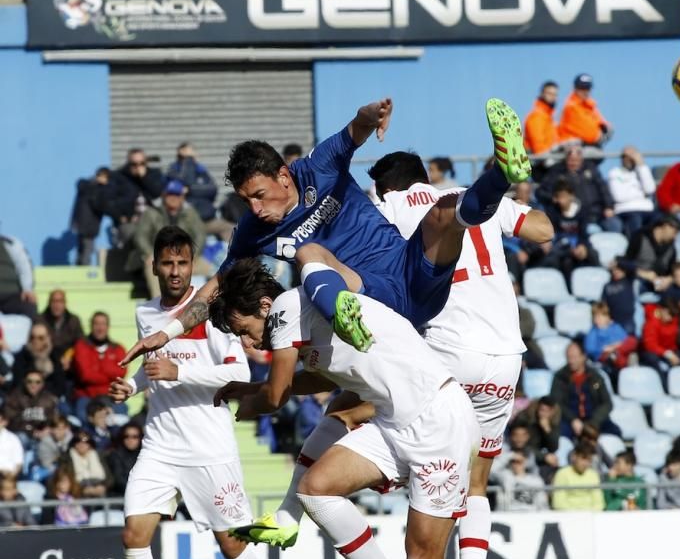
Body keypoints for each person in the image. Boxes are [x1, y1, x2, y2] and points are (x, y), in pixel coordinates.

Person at [208, 259, 477, 559]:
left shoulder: (284, 309)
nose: (245, 341)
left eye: (242, 329)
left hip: (437, 420)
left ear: (262, 305)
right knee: (316, 488)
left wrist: (249, 401)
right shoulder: (304, 315)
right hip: (395, 422)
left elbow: (276, 396)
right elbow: (316, 376)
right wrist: (253, 388)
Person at [122, 97, 530, 366]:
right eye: (246, 201)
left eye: (260, 195)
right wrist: (168, 330)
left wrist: (374, 114)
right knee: (308, 253)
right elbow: (216, 285)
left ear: (284, 176)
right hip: (370, 300)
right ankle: (342, 317)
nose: (255, 209)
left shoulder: (319, 165)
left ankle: (502, 174)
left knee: (443, 213)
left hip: (413, 276)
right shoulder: (251, 231)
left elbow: (357, 127)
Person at [352, 150, 552, 559]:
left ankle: (409, 557)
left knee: (379, 411)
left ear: (386, 188)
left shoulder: (392, 207)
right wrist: (513, 197)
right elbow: (544, 231)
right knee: (476, 480)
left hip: (446, 347)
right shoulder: (469, 197)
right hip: (505, 355)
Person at [107, 227, 274, 559]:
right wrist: (133, 386)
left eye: (183, 263)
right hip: (160, 443)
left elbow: (236, 372)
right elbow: (151, 368)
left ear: (193, 264)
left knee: (232, 543)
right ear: (155, 266)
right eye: (168, 263)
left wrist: (178, 370)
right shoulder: (146, 313)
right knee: (133, 537)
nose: (175, 272)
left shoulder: (216, 311)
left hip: (209, 445)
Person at [129, 179, 207, 298]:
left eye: (176, 194)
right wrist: (149, 253)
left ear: (182, 197)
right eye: (170, 194)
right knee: (153, 268)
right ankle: (161, 303)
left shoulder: (190, 213)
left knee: (208, 268)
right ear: (163, 195)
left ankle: (204, 304)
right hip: (157, 257)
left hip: (183, 256)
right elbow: (140, 236)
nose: (173, 198)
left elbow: (200, 235)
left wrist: (193, 255)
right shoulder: (151, 212)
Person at [537, 146, 620, 233]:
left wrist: (609, 207)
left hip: (597, 213)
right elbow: (541, 192)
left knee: (614, 225)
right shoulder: (557, 172)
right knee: (590, 230)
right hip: (571, 219)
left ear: (581, 159)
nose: (573, 163)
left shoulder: (591, 169)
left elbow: (603, 188)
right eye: (570, 160)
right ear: (566, 159)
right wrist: (554, 198)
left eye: (576, 160)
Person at [550, 341, 615, 440]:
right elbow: (557, 402)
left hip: (593, 419)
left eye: (574, 357)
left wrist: (593, 422)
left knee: (614, 432)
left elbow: (607, 403)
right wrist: (573, 420)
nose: (571, 361)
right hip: (569, 420)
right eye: (569, 357)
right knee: (560, 435)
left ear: (583, 356)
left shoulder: (595, 377)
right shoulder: (560, 377)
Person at [71, 312, 128, 419]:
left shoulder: (118, 349)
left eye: (103, 324)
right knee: (84, 421)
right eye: (96, 324)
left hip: (111, 396)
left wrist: (98, 367)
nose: (100, 328)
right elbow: (85, 375)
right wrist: (109, 373)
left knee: (121, 420)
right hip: (87, 397)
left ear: (108, 326)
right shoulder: (81, 346)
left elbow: (121, 373)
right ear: (91, 326)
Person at [107, 148, 165, 241]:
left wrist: (144, 177)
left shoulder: (153, 174)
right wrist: (121, 217)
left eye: (142, 163)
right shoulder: (119, 176)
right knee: (135, 238)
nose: (138, 167)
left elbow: (157, 193)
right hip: (130, 222)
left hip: (152, 220)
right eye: (134, 164)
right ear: (128, 163)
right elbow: (109, 201)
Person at [607, 147, 656, 235]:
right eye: (625, 156)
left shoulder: (642, 171)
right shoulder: (615, 172)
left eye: (632, 155)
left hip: (647, 209)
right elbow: (619, 197)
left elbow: (650, 189)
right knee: (635, 220)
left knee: (661, 221)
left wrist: (641, 165)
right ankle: (636, 247)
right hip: (626, 210)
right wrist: (641, 194)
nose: (628, 159)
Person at [12, 323, 67, 398]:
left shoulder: (55, 355)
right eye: (32, 337)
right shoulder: (22, 356)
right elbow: (18, 383)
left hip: (51, 397)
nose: (36, 341)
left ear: (47, 338)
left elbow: (60, 384)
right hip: (26, 399)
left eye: (40, 338)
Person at [166, 142, 218, 221]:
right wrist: (189, 160)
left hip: (207, 215)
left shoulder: (201, 170)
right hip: (185, 219)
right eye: (187, 156)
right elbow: (187, 182)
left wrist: (190, 190)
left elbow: (213, 190)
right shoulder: (173, 171)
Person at [70, 166, 111, 266]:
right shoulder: (95, 188)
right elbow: (98, 205)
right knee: (88, 248)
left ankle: (80, 268)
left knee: (82, 248)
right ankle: (84, 270)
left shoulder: (87, 186)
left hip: (82, 223)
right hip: (89, 225)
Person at [557, 73, 611, 147]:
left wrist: (603, 129)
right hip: (570, 149)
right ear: (575, 88)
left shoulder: (589, 106)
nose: (585, 91)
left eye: (587, 88)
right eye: (582, 87)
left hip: (583, 146)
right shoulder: (571, 107)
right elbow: (592, 135)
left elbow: (605, 126)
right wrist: (601, 132)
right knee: (593, 152)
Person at [551, 444, 604, 511]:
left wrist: (587, 515)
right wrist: (577, 515)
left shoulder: (593, 475)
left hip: (590, 517)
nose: (586, 463)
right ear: (574, 456)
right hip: (567, 518)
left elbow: (599, 503)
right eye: (583, 458)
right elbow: (558, 503)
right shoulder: (562, 474)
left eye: (589, 460)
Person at [583, 302, 633, 373]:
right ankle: (625, 365)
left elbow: (625, 339)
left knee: (631, 341)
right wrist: (604, 349)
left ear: (608, 317)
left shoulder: (615, 327)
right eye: (596, 317)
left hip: (618, 350)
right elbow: (590, 348)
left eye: (601, 316)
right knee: (613, 356)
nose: (598, 319)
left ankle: (626, 363)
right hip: (604, 356)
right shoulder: (594, 332)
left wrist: (614, 346)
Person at [0, 233, 37, 317]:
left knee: (29, 307)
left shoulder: (10, 243)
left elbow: (24, 266)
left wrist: (27, 289)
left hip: (11, 296)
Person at [67, 430, 111, 499]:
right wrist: (82, 489)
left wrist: (104, 487)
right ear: (73, 443)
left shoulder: (100, 456)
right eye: (77, 440)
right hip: (78, 495)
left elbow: (110, 478)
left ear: (90, 443)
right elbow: (65, 481)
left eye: (86, 441)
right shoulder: (66, 459)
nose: (82, 444)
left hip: (101, 492)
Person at [524, 80, 560, 155]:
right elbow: (539, 148)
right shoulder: (536, 116)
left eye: (555, 94)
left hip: (549, 156)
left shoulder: (549, 117)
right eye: (549, 93)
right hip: (539, 160)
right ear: (542, 94)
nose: (553, 97)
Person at [106, 423, 142, 497]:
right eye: (126, 436)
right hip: (119, 498)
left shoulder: (145, 455)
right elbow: (119, 480)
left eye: (135, 437)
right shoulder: (115, 455)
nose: (130, 440)